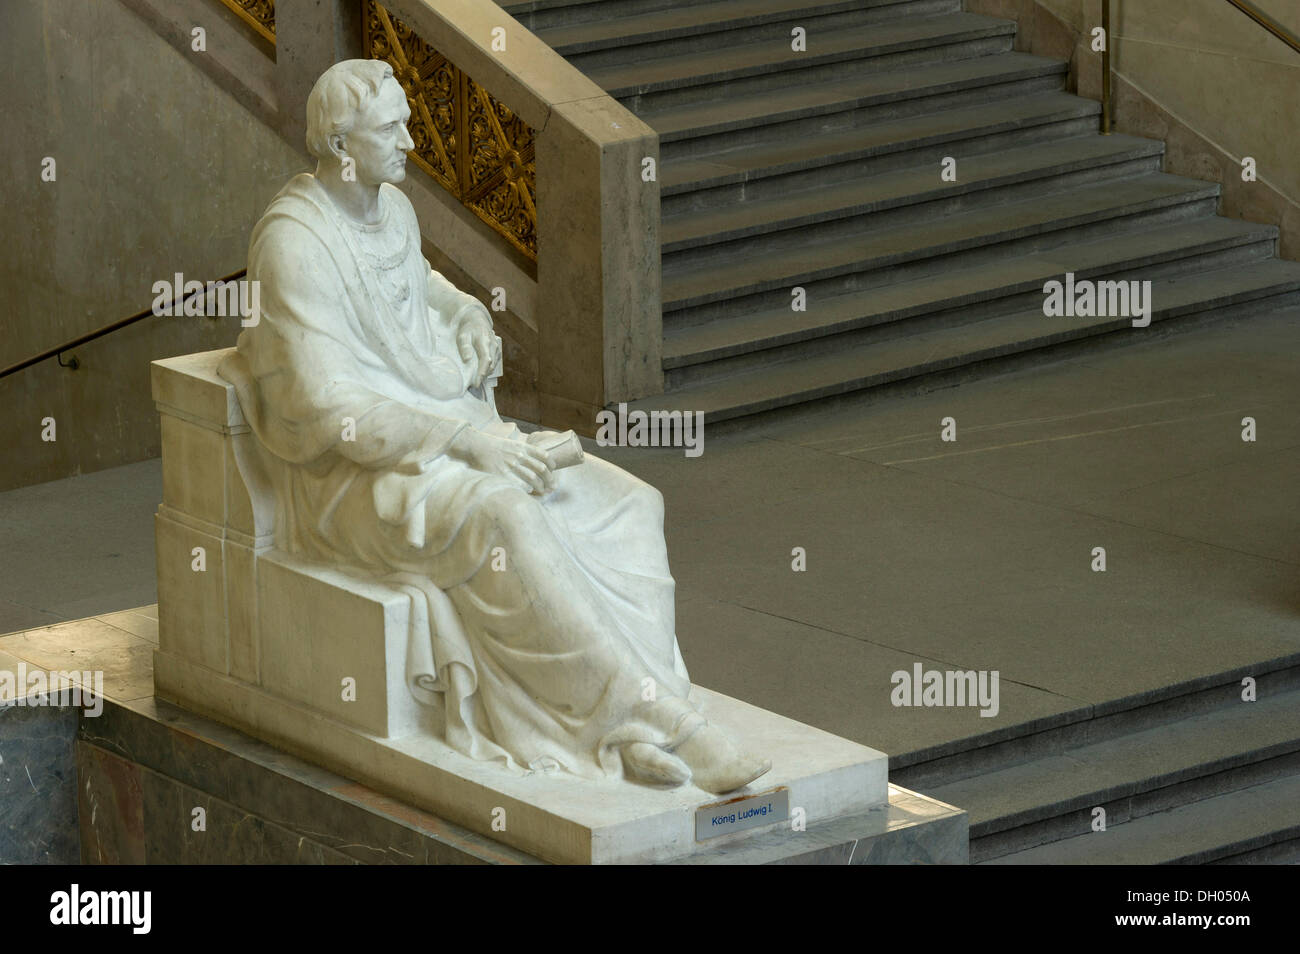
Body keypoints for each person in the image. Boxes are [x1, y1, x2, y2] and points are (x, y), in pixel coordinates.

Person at [218, 59, 769, 794]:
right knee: (506, 514)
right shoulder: (294, 245)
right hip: (356, 480)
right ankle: (671, 731)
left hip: (446, 431)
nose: (413, 140)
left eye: (408, 121)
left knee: (633, 503)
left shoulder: (392, 207)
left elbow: (424, 288)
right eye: (392, 128)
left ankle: (629, 716)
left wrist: (469, 315)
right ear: (342, 146)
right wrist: (466, 440)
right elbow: (329, 409)